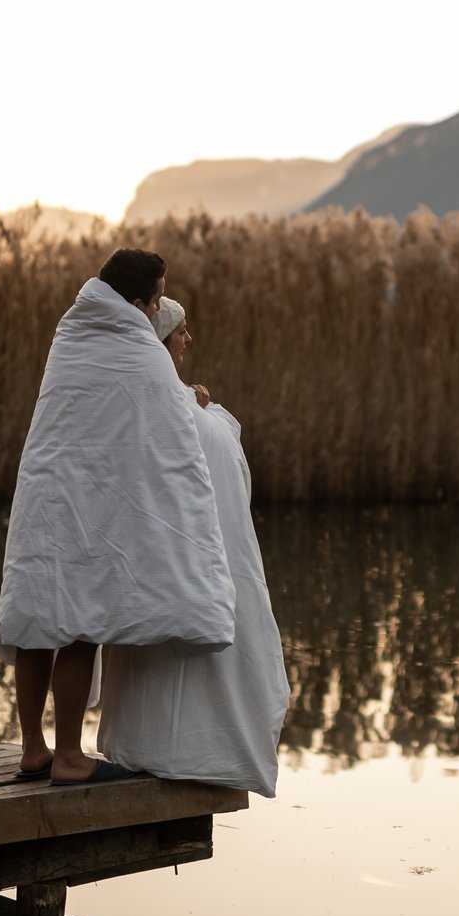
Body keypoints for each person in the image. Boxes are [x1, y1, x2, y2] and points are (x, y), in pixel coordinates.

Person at [0, 251, 237, 785]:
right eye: (154, 300)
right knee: (81, 626)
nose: (156, 313)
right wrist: (191, 402)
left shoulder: (71, 334)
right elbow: (167, 433)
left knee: (37, 619)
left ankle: (32, 748)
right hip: (88, 507)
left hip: (43, 494)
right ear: (134, 303)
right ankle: (70, 758)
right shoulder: (139, 347)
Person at [97, 297, 289, 797]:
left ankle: (169, 744)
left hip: (205, 552)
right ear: (161, 338)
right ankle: (181, 747)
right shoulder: (162, 406)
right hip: (177, 554)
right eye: (182, 330)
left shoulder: (183, 404)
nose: (190, 338)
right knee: (169, 654)